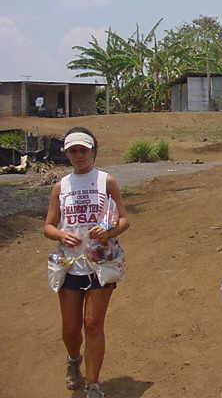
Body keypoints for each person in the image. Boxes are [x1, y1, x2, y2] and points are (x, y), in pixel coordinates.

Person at [44, 127, 129, 398]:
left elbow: (124, 219)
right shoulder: (61, 187)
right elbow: (48, 225)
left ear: (93, 151)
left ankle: (93, 384)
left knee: (93, 324)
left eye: (83, 150)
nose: (79, 155)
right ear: (67, 154)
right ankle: (73, 360)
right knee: (70, 328)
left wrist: (109, 232)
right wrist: (59, 234)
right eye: (73, 151)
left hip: (100, 264)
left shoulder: (107, 182)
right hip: (69, 264)